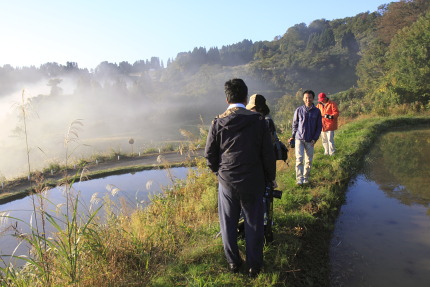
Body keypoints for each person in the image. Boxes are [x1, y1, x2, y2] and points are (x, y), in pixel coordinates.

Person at [205, 79, 276, 278]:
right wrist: (270, 178)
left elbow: (210, 155)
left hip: (227, 181)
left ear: (226, 98)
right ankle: (254, 266)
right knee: (254, 223)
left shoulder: (217, 122)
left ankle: (233, 263)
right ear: (246, 98)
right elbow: (267, 155)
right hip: (253, 181)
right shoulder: (259, 121)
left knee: (227, 223)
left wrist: (219, 173)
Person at [288, 90, 322, 185]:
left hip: (310, 140)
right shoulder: (299, 110)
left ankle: (306, 177)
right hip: (299, 138)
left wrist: (315, 139)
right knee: (299, 159)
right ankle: (299, 179)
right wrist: (293, 136)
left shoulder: (317, 111)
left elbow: (319, 127)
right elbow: (295, 124)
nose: (308, 99)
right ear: (303, 99)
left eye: (310, 97)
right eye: (306, 98)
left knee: (309, 160)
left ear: (313, 98)